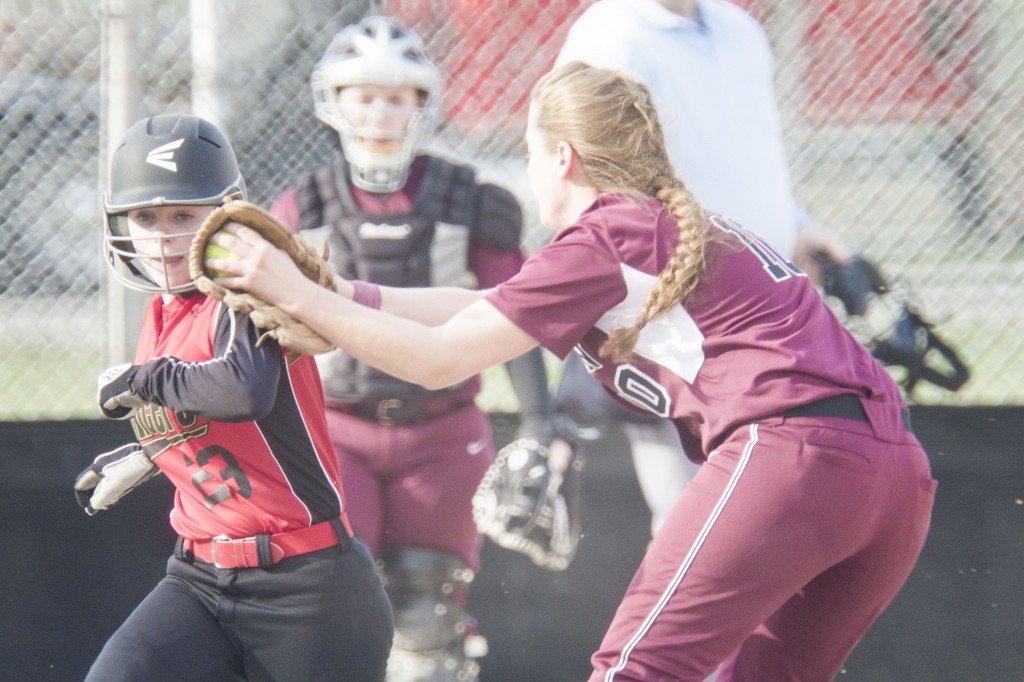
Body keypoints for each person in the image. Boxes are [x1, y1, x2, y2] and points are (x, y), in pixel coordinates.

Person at [207, 61, 936, 681]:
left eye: (529, 153)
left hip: (796, 460)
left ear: (562, 158)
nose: (528, 172)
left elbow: (440, 359)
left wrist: (296, 293)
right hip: (898, 473)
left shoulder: (605, 234)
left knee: (635, 671)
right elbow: (483, 305)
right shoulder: (668, 224)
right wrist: (342, 294)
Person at [268, 16, 563, 681]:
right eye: (363, 93)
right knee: (336, 600)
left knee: (430, 620)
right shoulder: (303, 207)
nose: (379, 110)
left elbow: (515, 316)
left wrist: (542, 422)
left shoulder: (472, 202)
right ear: (333, 101)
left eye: (396, 95)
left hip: (441, 431)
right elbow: (273, 329)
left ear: (423, 103)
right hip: (337, 429)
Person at [77, 113, 394, 682]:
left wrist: (143, 380)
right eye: (145, 217)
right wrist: (153, 452)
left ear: (226, 215)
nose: (163, 235)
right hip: (198, 578)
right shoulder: (163, 311)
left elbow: (244, 390)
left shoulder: (244, 290)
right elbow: (205, 406)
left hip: (307, 589)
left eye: (183, 215)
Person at [551, 0, 853, 538]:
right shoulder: (611, 33)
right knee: (695, 519)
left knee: (769, 510)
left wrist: (798, 225)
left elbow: (754, 151)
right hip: (678, 306)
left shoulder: (740, 30)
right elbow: (593, 179)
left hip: (765, 302)